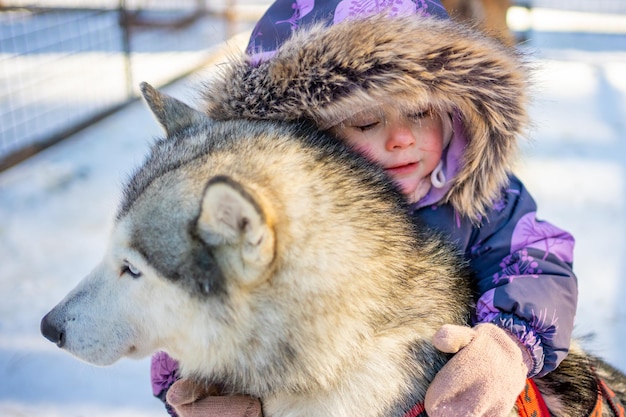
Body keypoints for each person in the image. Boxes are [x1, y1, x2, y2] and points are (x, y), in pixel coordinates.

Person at [151, 0, 579, 416]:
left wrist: (507, 346)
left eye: (420, 111)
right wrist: (190, 383)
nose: (400, 139)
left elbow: (537, 261)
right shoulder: (272, 224)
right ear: (305, 137)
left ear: (453, 112)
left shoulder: (476, 200)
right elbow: (196, 294)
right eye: (366, 122)